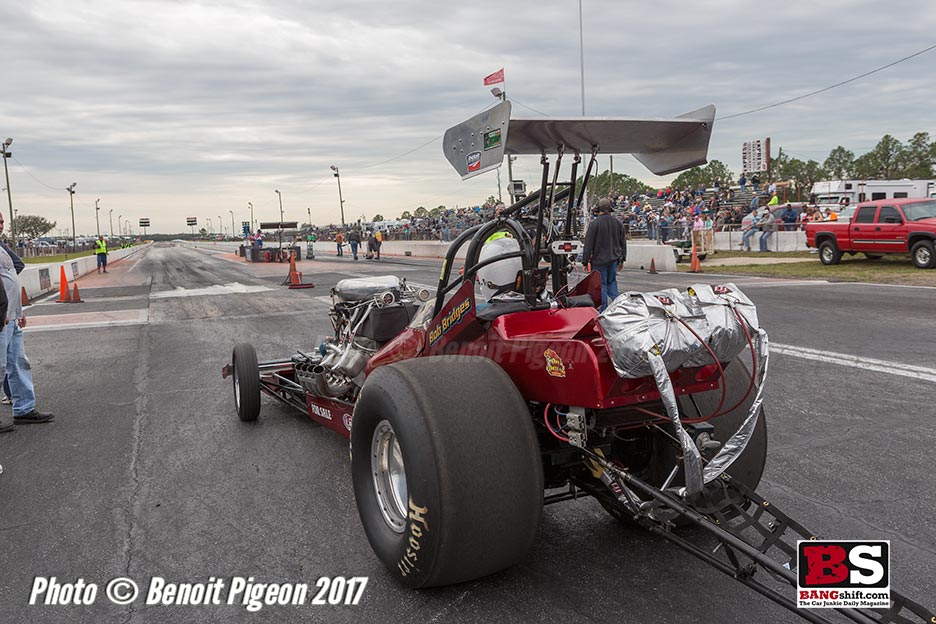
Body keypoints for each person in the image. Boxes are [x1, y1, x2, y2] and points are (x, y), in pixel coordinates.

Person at [0, 213, 54, 430]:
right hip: (1, 318)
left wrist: (18, 311)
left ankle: (24, 409)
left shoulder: (3, 249)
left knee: (18, 363)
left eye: (1, 221)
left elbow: (12, 277)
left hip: (11, 317)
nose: (0, 225)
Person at [582, 198, 627, 311]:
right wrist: (622, 259)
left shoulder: (595, 224)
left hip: (599, 261)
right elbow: (623, 243)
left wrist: (585, 261)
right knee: (612, 283)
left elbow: (588, 244)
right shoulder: (618, 223)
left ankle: (602, 310)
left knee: (600, 285)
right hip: (614, 259)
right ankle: (617, 308)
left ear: (598, 209)